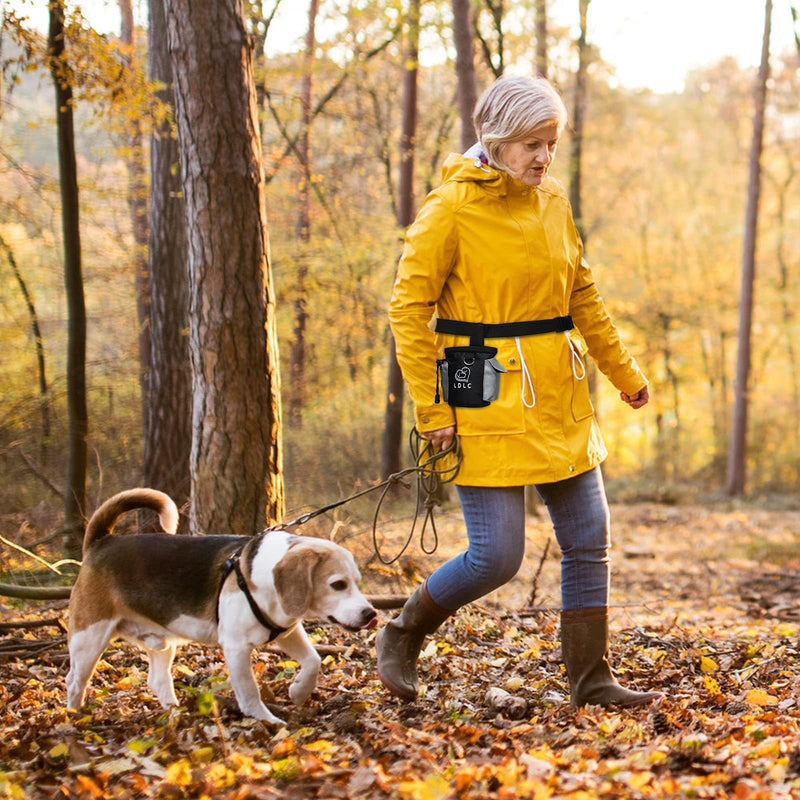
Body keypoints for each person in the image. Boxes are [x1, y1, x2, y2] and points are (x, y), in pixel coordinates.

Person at [377, 74, 660, 708]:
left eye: (552, 143)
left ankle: (591, 679)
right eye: (533, 142)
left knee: (589, 538)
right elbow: (407, 309)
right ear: (498, 139)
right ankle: (402, 632)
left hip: (559, 397)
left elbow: (581, 294)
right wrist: (432, 408)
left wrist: (625, 373)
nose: (544, 157)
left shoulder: (552, 203)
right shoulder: (449, 208)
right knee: (496, 556)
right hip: (482, 394)